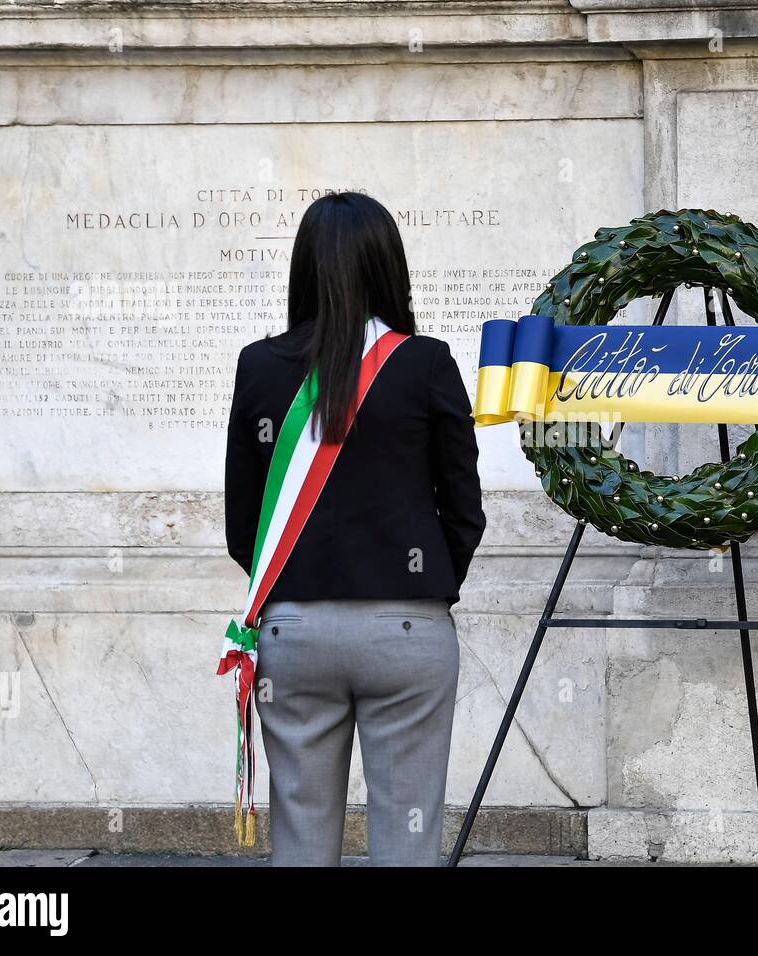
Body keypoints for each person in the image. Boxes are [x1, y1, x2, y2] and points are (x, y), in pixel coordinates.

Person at [224, 191, 486, 866]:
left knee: (302, 839)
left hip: (293, 636)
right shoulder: (427, 362)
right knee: (407, 837)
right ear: (388, 267)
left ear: (303, 269)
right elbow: (464, 511)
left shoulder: (259, 365)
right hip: (407, 635)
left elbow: (242, 529)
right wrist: (422, 590)